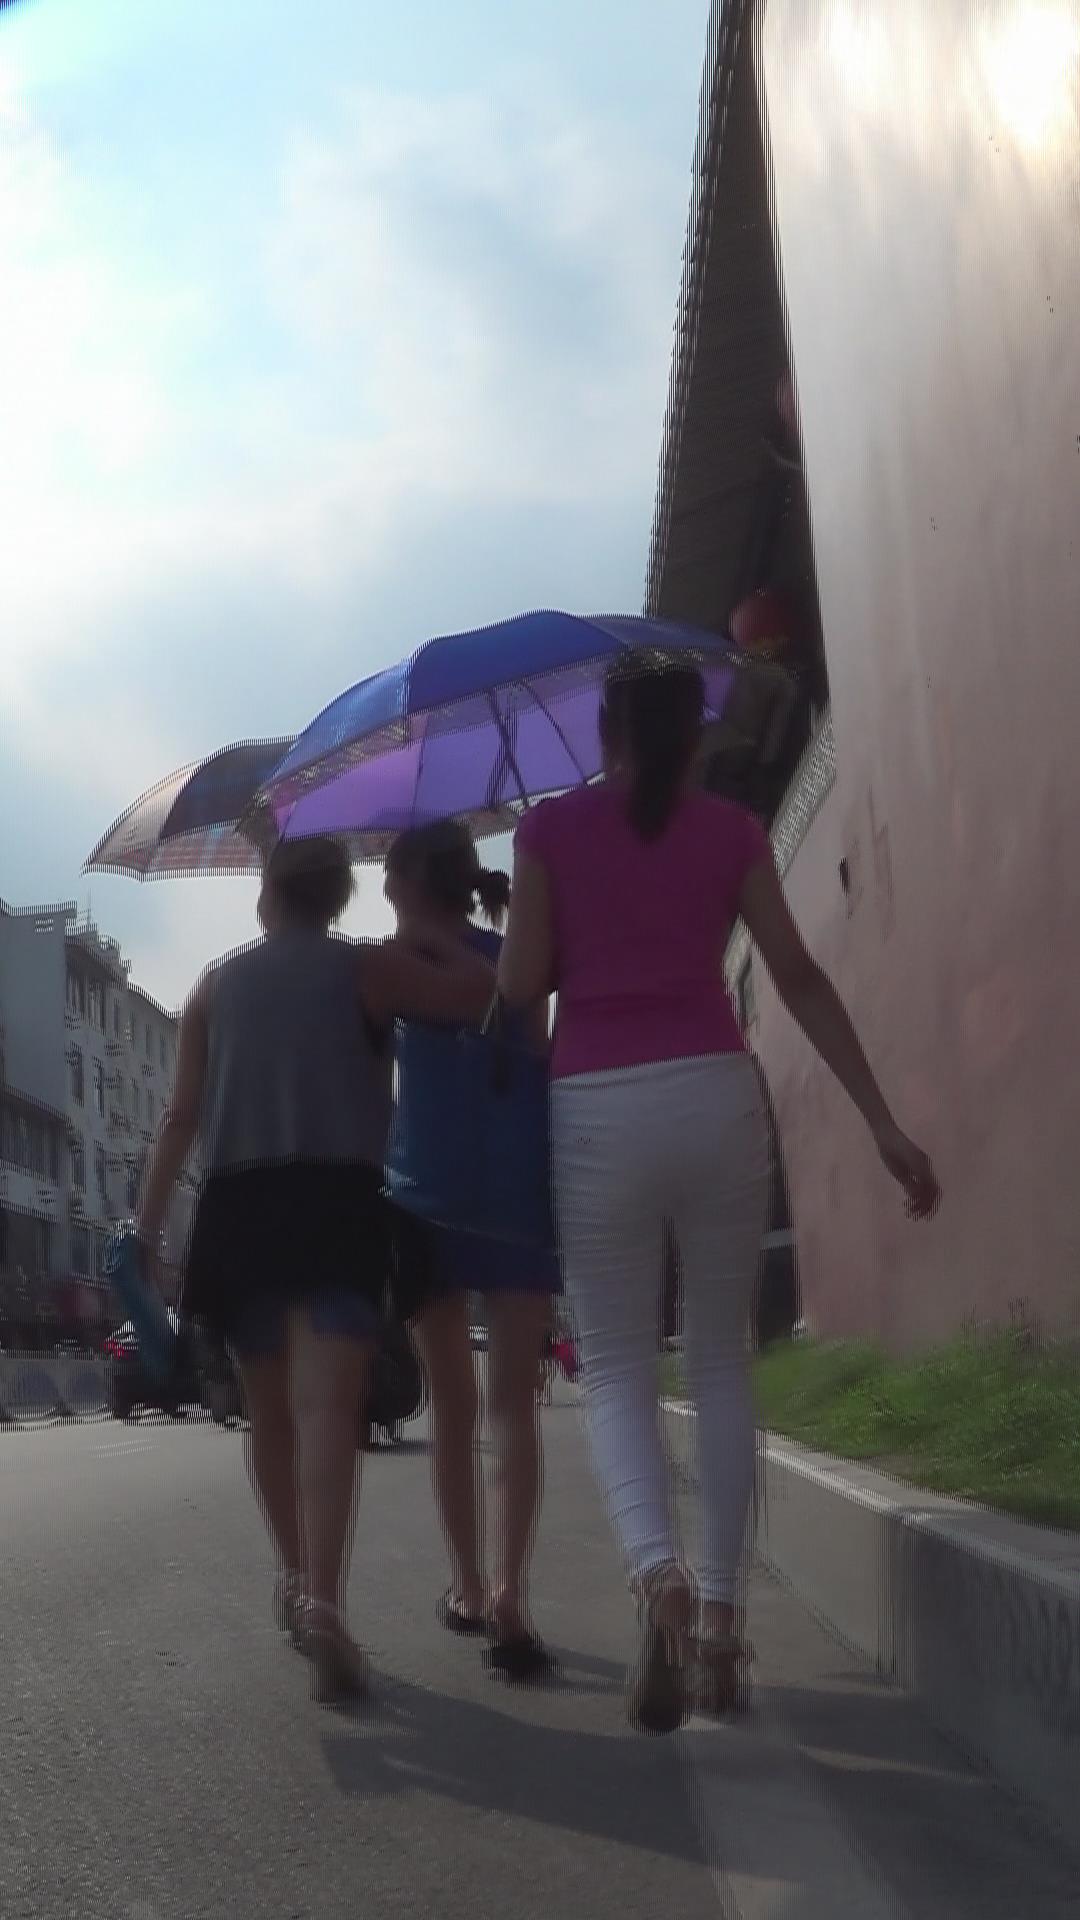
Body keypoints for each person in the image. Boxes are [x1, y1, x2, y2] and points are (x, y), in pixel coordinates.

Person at [497, 648, 940, 1734]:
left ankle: (659, 1577)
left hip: (596, 1104)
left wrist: (541, 897)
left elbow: (519, 990)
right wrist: (882, 1123)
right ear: (692, 737)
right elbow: (798, 976)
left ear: (605, 736)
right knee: (719, 1359)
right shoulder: (733, 832)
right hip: (713, 1091)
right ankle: (723, 1629)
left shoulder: (548, 831)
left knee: (614, 1366)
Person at [133, 835, 496, 1706]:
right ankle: (328, 1600)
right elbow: (487, 994)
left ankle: (295, 1580)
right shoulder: (368, 969)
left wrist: (145, 1228)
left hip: (241, 1209)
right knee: (329, 1408)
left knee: (269, 1415)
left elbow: (180, 1117)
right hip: (338, 1204)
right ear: (337, 897)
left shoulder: (213, 986)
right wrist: (432, 937)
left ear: (268, 896)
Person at [383, 821, 559, 1682]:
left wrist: (428, 946)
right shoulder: (518, 955)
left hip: (426, 1196)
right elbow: (536, 1046)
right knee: (512, 1406)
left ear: (407, 884)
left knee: (453, 1406)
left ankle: (470, 1587)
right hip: (520, 1188)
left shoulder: (398, 959)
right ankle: (511, 1592)